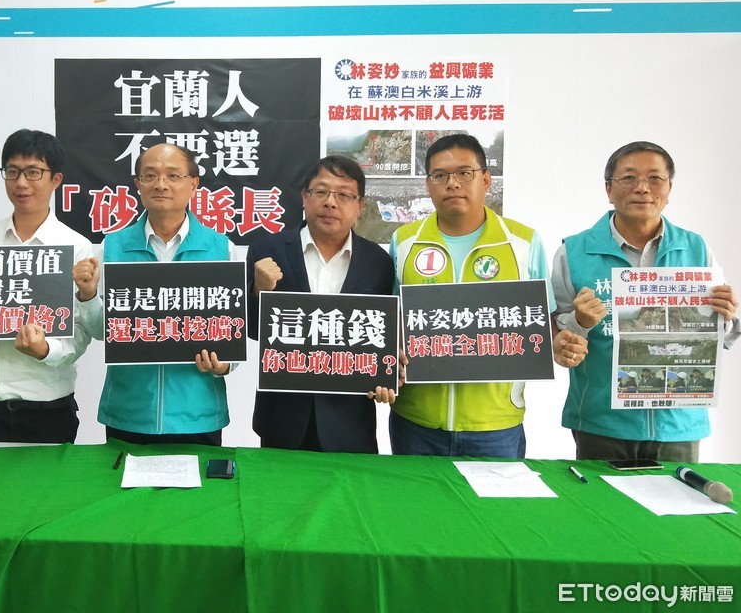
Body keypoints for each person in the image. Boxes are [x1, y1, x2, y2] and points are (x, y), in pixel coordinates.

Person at [375, 133, 587, 458]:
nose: (452, 183)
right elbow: (390, 322)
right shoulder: (404, 242)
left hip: (496, 424)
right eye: (440, 175)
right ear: (428, 185)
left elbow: (542, 320)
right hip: (415, 420)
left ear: (486, 179)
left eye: (464, 173)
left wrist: (557, 344)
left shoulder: (523, 243)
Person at [553, 141, 739, 461]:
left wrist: (727, 314)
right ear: (608, 189)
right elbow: (557, 337)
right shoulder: (573, 252)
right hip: (602, 421)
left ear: (669, 189)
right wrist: (578, 324)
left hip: (678, 423)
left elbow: (720, 338)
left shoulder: (696, 248)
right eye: (628, 177)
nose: (642, 188)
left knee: (677, 494)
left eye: (655, 178)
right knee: (600, 496)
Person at [0, 129, 102, 444]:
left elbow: (82, 332)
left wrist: (45, 350)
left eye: (33, 172)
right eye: (12, 171)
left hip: (49, 409)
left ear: (55, 179)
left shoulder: (75, 246)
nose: (21, 182)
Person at [82, 143, 231, 446]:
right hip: (129, 411)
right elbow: (101, 331)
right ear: (138, 184)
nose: (161, 184)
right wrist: (87, 295)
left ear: (193, 184)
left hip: (198, 413)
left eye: (173, 175)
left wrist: (225, 364)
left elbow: (231, 330)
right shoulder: (112, 247)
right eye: (150, 176)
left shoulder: (220, 248)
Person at [246, 155, 397, 453]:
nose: (330, 202)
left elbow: (382, 338)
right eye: (321, 191)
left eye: (344, 195)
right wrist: (258, 290)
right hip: (282, 420)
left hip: (350, 423)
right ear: (305, 197)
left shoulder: (378, 262)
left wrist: (386, 374)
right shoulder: (267, 250)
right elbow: (250, 331)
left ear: (360, 205)